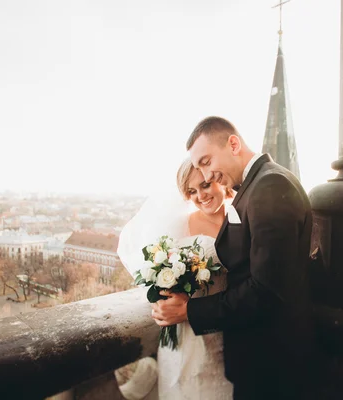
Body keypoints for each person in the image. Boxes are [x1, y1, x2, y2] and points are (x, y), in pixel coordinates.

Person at [152, 116, 317, 399]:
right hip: (262, 357)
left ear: (233, 143)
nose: (205, 176)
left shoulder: (269, 187)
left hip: (269, 363)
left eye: (206, 161)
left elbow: (266, 291)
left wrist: (190, 311)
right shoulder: (260, 184)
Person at [118, 158, 234, 400]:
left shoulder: (240, 218)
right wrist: (166, 297)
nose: (200, 196)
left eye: (204, 185)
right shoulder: (180, 226)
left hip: (229, 333)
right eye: (191, 191)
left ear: (220, 180)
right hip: (188, 334)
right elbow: (159, 273)